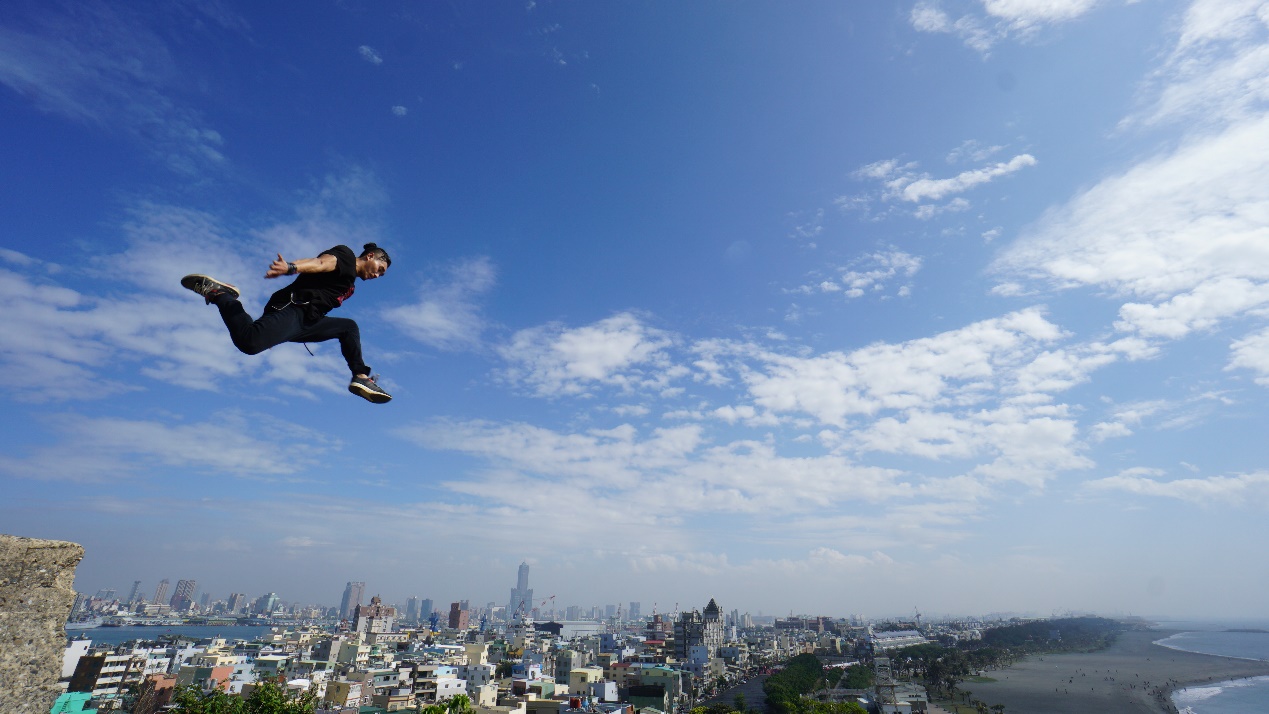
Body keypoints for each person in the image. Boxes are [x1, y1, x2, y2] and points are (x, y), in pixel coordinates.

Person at [181, 243, 393, 403]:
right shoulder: (345, 256)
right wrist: (291, 267)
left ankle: (361, 377)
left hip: (309, 322)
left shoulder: (350, 284)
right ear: (370, 256)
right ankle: (221, 294)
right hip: (294, 309)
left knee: (348, 328)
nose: (377, 275)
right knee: (249, 343)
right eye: (379, 268)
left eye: (381, 274)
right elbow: (320, 263)